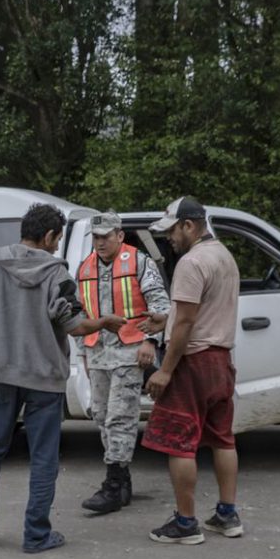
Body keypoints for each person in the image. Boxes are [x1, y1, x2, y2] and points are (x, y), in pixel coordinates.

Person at [0, 203, 125, 553]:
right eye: (57, 239)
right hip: (44, 378)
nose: (56, 246)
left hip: (1, 374)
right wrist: (104, 322)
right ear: (49, 235)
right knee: (43, 459)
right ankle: (36, 535)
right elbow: (75, 325)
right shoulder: (57, 273)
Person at [139, 196, 242, 545]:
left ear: (189, 225)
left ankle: (186, 523)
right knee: (223, 439)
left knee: (179, 444)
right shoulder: (223, 256)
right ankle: (228, 515)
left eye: (172, 230)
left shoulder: (191, 262)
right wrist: (164, 320)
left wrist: (165, 370)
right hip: (221, 361)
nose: (169, 238)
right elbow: (198, 311)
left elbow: (186, 322)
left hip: (193, 362)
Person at [75, 211, 170, 514]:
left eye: (106, 236)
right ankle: (123, 478)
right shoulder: (85, 267)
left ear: (119, 235)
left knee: (121, 417)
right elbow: (81, 316)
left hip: (131, 351)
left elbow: (160, 306)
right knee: (101, 416)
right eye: (96, 237)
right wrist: (83, 355)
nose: (100, 242)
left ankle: (113, 484)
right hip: (98, 353)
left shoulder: (140, 262)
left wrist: (150, 342)